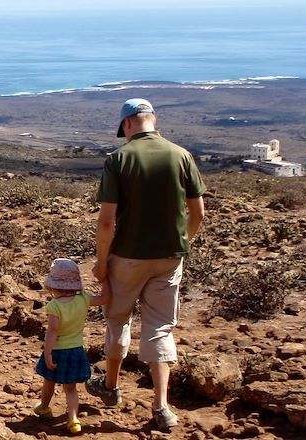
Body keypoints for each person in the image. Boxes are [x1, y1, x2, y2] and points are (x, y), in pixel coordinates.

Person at [85, 98, 206, 431]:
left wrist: (101, 262)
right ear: (153, 120)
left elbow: (107, 221)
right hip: (169, 258)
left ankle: (110, 387)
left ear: (126, 125)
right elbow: (198, 214)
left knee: (118, 318)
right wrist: (183, 244)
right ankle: (162, 407)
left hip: (127, 256)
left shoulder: (119, 159)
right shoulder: (182, 155)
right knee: (160, 327)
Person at [33, 258, 111, 434]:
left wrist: (47, 353)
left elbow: (52, 332)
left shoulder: (54, 306)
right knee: (71, 388)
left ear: (53, 285)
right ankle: (73, 419)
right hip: (76, 350)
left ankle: (44, 408)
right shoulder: (83, 299)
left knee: (49, 382)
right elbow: (105, 298)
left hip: (58, 351)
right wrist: (104, 278)